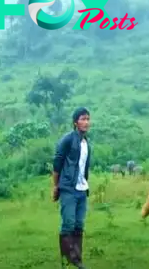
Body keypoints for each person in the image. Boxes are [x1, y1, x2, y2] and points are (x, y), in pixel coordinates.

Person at [52, 107, 92, 269]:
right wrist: (56, 186)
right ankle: (67, 260)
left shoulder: (86, 143)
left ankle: (76, 260)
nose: (86, 122)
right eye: (83, 119)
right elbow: (57, 162)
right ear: (75, 122)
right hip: (68, 188)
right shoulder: (68, 139)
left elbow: (84, 167)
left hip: (82, 189)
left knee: (78, 225)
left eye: (88, 119)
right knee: (68, 224)